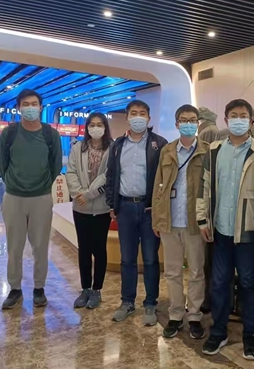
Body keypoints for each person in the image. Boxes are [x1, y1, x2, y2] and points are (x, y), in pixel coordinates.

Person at [197, 99, 254, 360]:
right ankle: (219, 331)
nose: (238, 120)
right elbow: (205, 187)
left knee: (249, 283)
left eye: (243, 116)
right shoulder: (214, 150)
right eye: (233, 115)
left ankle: (251, 334)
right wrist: (203, 220)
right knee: (219, 283)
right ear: (226, 120)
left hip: (247, 231)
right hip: (221, 231)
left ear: (251, 120)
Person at [0, 89, 62, 309]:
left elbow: (55, 165)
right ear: (18, 108)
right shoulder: (9, 133)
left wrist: (43, 184)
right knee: (14, 247)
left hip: (41, 198)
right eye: (25, 104)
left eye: (34, 104)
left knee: (40, 246)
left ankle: (39, 288)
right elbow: (2, 165)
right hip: (14, 197)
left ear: (41, 107)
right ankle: (15, 289)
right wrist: (13, 182)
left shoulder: (50, 134)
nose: (30, 108)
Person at [105, 100, 167, 326]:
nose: (138, 117)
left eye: (142, 113)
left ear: (148, 118)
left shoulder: (159, 144)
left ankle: (150, 303)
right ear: (127, 117)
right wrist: (112, 204)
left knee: (150, 258)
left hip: (149, 209)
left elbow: (165, 178)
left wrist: (159, 207)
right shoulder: (118, 145)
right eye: (134, 113)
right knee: (127, 258)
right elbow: (111, 175)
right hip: (125, 208)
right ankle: (127, 301)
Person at [152, 104, 209, 339]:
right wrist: (157, 218)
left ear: (198, 123)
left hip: (195, 223)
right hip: (170, 221)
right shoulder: (167, 151)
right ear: (177, 124)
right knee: (173, 272)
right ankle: (175, 314)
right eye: (184, 120)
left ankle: (194, 315)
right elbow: (158, 186)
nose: (188, 123)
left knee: (196, 271)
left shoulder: (207, 151)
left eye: (192, 120)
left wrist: (207, 220)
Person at [66, 113, 113, 310]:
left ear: (105, 127)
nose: (95, 128)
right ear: (86, 127)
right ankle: (85, 288)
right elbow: (71, 172)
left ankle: (97, 289)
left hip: (101, 208)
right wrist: (79, 194)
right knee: (84, 249)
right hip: (81, 207)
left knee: (99, 249)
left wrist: (89, 194)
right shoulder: (78, 148)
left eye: (99, 124)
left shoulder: (113, 148)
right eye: (92, 124)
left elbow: (109, 175)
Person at [197, 106, 219, 313]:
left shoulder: (208, 132)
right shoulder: (210, 130)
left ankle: (210, 299)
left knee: (210, 262)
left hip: (212, 207)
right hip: (209, 206)